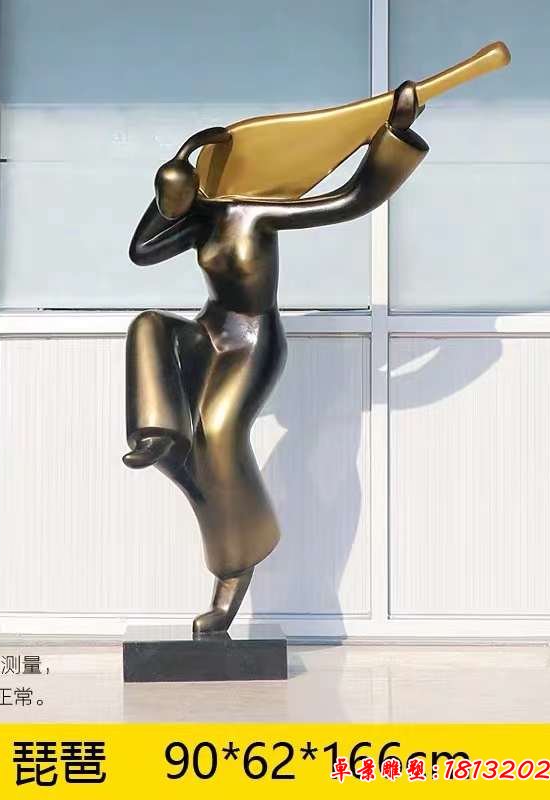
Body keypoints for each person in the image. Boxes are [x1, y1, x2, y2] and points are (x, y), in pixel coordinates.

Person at [125, 81, 429, 634]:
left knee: (218, 437)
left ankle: (233, 570)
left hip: (253, 340)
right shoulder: (198, 219)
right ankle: (158, 436)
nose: (174, 212)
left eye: (178, 199)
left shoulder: (255, 213)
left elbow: (350, 201)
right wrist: (169, 188)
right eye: (170, 204)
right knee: (149, 326)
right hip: (210, 331)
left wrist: (395, 133)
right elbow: (141, 251)